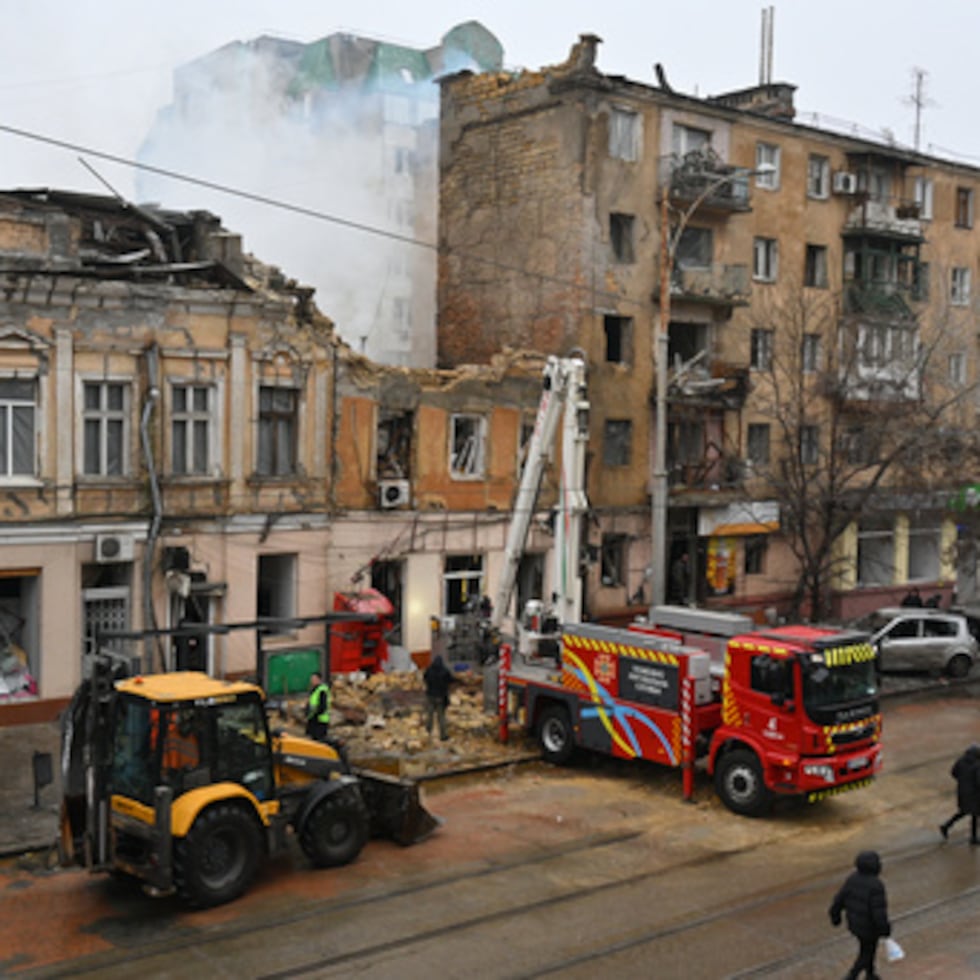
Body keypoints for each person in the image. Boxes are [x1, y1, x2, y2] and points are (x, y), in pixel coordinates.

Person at [829, 849, 891, 980]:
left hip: (855, 923)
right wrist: (885, 929)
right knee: (867, 952)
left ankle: (870, 974)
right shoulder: (876, 885)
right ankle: (852, 975)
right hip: (870, 927)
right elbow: (879, 912)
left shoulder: (852, 879)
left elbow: (839, 899)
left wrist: (835, 916)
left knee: (867, 948)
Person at [940, 743, 980, 844]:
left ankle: (946, 826)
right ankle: (973, 838)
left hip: (962, 791)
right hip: (974, 794)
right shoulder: (977, 765)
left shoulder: (961, 761)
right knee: (974, 813)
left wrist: (962, 781)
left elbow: (953, 773)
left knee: (965, 811)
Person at [423, 654, 455, 741]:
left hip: (430, 695)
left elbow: (425, 678)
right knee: (441, 716)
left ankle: (428, 731)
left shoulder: (429, 670)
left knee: (430, 714)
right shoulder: (444, 671)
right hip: (440, 697)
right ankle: (443, 735)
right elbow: (451, 680)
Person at [305, 671, 331, 742]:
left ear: (319, 679)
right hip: (313, 719)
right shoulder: (314, 690)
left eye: (314, 679)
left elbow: (323, 706)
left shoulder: (322, 690)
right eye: (312, 679)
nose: (312, 681)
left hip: (320, 720)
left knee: (319, 741)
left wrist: (315, 715)